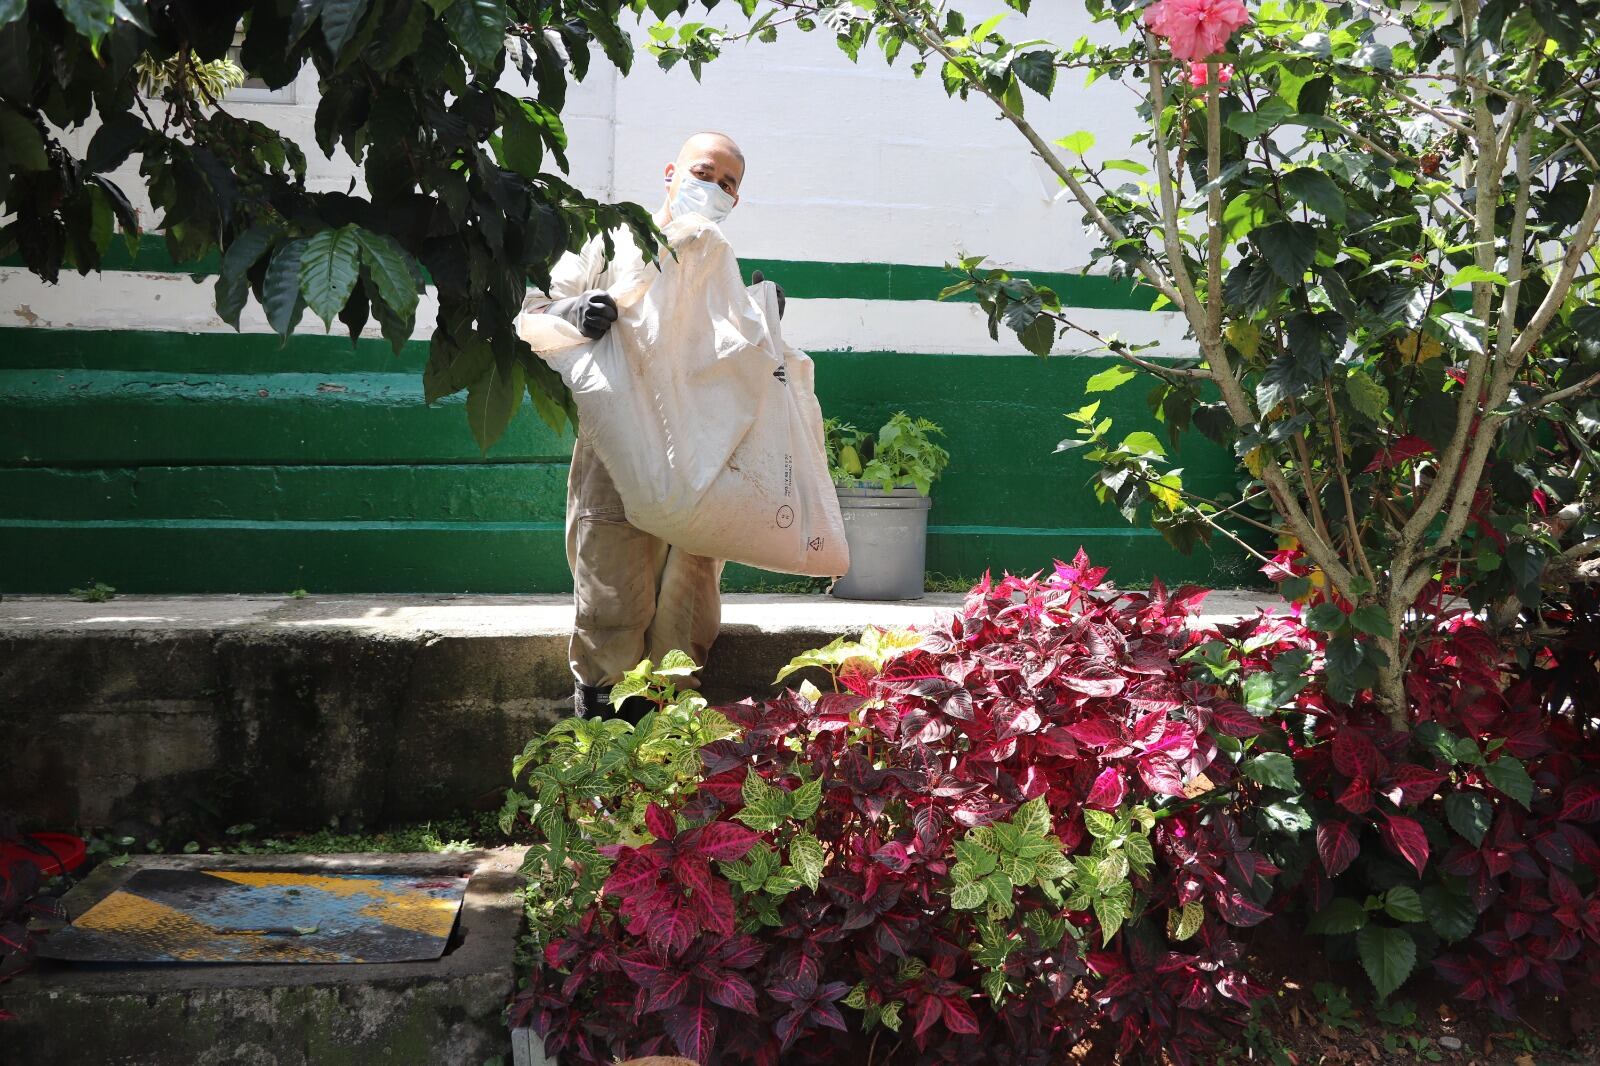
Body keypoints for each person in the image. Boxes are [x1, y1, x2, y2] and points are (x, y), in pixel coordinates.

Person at [518, 132, 783, 721]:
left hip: (699, 455)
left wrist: (764, 320)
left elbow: (734, 362)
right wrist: (572, 314)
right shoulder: (610, 239)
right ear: (671, 172)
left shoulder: (718, 263)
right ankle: (602, 747)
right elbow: (535, 313)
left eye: (728, 184)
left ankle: (666, 748)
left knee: (689, 593)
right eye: (704, 172)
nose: (713, 189)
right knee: (612, 587)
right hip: (617, 446)